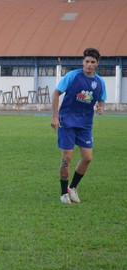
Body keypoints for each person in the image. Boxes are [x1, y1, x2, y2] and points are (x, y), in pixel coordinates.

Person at [51, 47, 106, 204]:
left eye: (92, 62)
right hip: (67, 122)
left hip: (85, 125)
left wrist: (101, 106)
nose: (89, 64)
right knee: (67, 157)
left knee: (87, 158)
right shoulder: (72, 76)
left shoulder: (100, 82)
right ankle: (63, 193)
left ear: (97, 64)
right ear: (83, 61)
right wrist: (55, 117)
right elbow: (56, 94)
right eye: (87, 61)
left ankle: (72, 187)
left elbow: (102, 99)